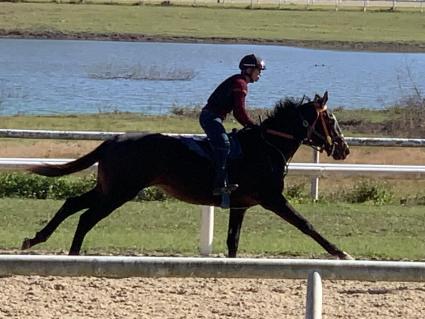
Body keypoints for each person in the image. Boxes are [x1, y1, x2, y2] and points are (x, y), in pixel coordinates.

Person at [199, 54, 266, 196]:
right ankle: (219, 184)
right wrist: (253, 125)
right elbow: (239, 113)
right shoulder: (240, 84)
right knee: (224, 144)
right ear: (249, 70)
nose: (260, 74)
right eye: (258, 70)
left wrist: (251, 124)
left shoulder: (240, 82)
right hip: (210, 118)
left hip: (213, 117)